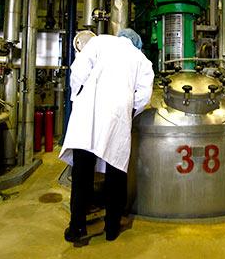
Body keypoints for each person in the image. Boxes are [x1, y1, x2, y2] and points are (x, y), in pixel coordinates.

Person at [59, 28, 154, 244]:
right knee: (116, 171)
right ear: (136, 42)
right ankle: (112, 228)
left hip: (88, 113)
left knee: (82, 173)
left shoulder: (99, 42)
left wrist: (79, 97)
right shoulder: (142, 60)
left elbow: (78, 71)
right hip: (117, 116)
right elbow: (144, 95)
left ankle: (77, 228)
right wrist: (130, 112)